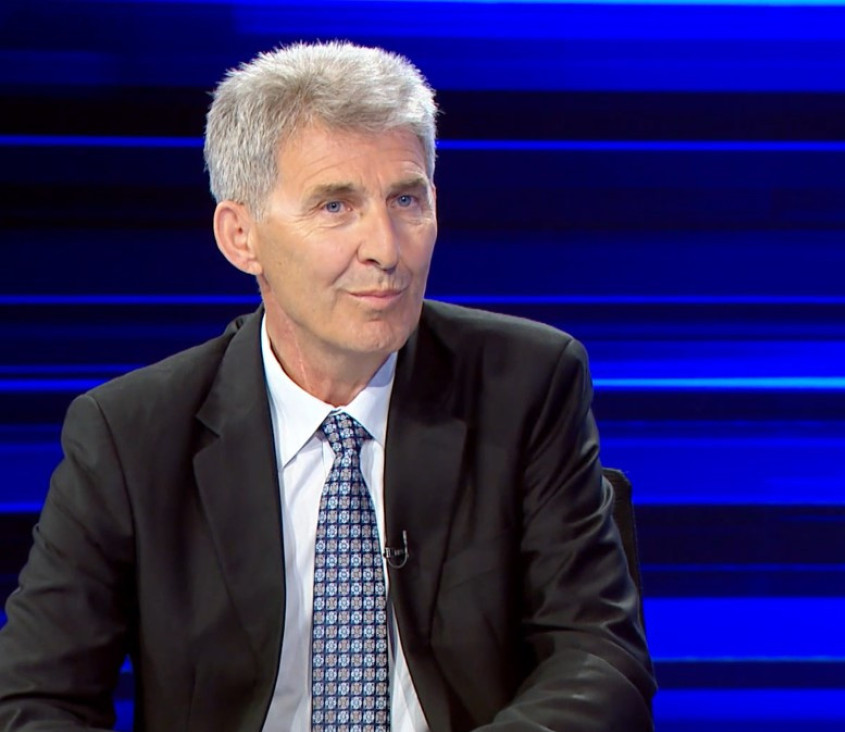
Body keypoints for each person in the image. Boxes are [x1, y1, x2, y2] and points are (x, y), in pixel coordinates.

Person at [0, 41, 655, 731]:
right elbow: (36, 698)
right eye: (336, 206)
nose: (387, 248)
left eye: (406, 199)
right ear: (241, 236)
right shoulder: (131, 435)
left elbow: (599, 659)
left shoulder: (526, 385)